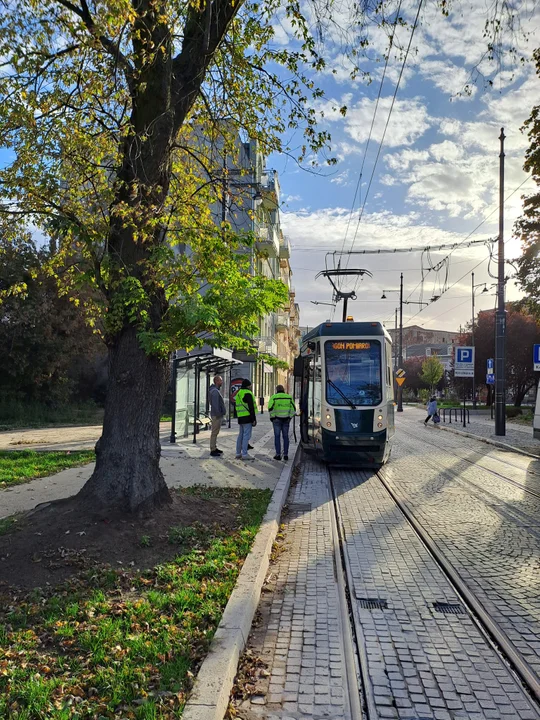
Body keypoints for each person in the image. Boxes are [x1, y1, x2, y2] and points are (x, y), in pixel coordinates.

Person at [268, 384, 296, 461]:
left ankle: (278, 454)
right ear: (283, 389)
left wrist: (273, 416)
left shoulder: (273, 397)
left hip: (276, 419)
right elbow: (293, 408)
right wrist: (290, 416)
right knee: (285, 437)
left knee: (277, 437)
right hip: (286, 419)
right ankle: (286, 454)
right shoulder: (289, 397)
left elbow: (270, 408)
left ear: (276, 390)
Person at [235, 379, 257, 460]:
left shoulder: (239, 393)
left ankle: (238, 453)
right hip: (247, 418)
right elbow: (251, 408)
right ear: (248, 386)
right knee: (246, 436)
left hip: (240, 417)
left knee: (240, 435)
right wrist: (253, 419)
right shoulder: (248, 393)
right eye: (250, 385)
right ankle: (245, 454)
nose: (251, 387)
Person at [209, 374, 226, 457]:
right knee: (214, 432)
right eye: (220, 380)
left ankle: (214, 447)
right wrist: (219, 414)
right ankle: (212, 449)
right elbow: (215, 405)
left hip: (216, 415)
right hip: (216, 415)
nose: (222, 382)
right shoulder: (215, 391)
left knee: (215, 432)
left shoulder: (215, 390)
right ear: (216, 381)